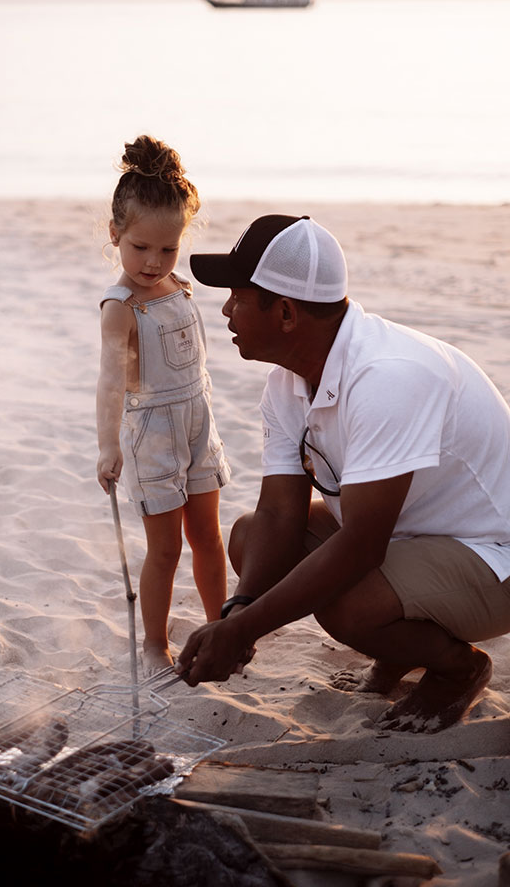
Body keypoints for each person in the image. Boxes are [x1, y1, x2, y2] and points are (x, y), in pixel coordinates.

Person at [175, 213, 510, 733]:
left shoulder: (387, 378)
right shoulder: (288, 383)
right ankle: (402, 650)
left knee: (347, 604)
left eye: (239, 296)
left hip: (495, 557)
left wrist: (244, 632)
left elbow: (361, 546)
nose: (225, 309)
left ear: (285, 312)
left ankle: (457, 669)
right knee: (249, 538)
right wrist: (238, 612)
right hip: (419, 540)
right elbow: (278, 513)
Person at [96, 136, 230, 675]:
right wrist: (108, 446)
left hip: (197, 424)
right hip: (151, 433)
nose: (154, 262)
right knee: (166, 548)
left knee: (207, 536)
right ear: (116, 236)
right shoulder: (119, 308)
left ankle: (222, 626)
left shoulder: (180, 285)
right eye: (140, 248)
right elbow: (109, 383)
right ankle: (155, 644)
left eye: (167, 249)